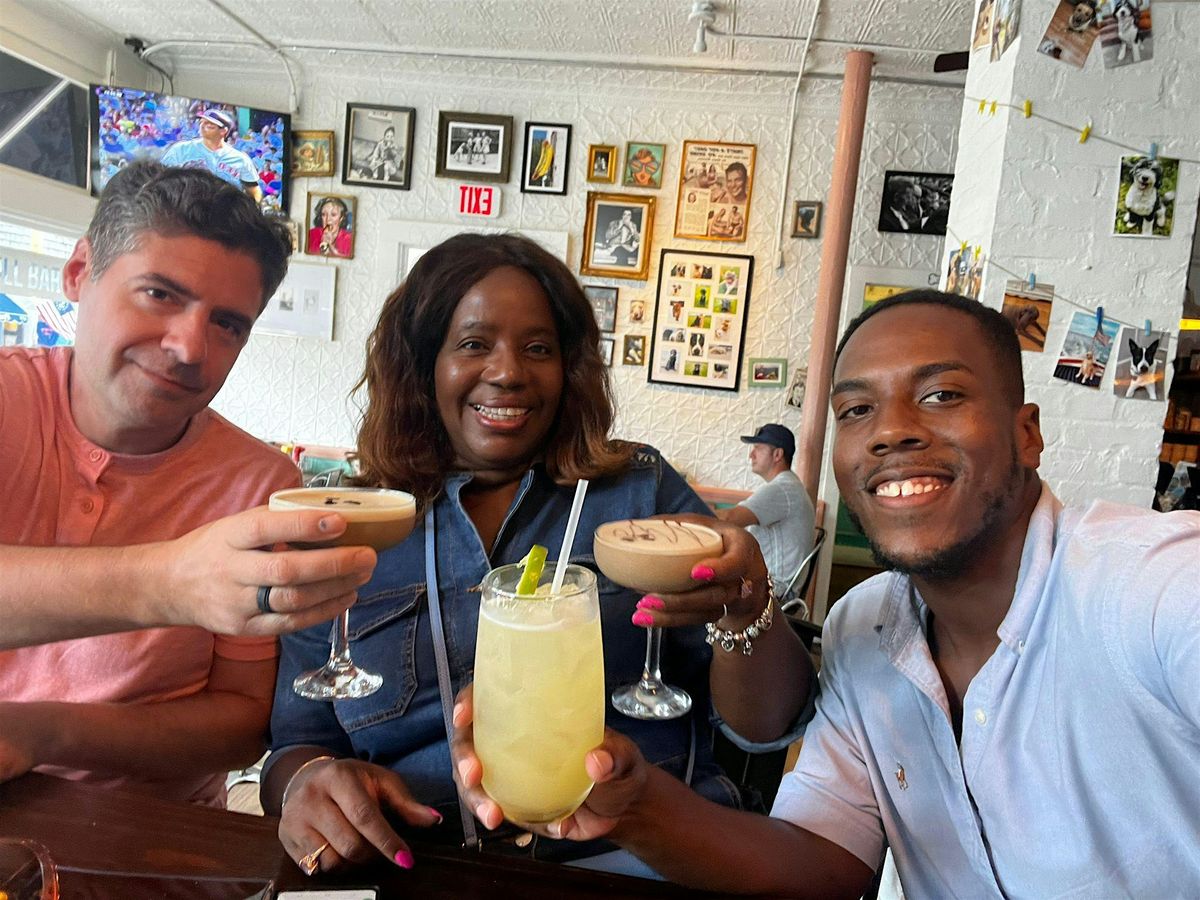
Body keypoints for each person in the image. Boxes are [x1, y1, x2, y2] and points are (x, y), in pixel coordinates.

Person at [458, 290, 1199, 897]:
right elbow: (823, 863)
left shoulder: (1154, 588)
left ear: (1027, 434)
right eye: (856, 411)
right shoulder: (864, 628)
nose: (890, 433)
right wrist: (633, 805)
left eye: (941, 395)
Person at [261, 233, 814, 877]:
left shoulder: (641, 495)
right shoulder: (357, 524)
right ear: (423, 364)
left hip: (637, 860)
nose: (508, 372)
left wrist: (747, 606)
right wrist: (308, 783)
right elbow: (297, 742)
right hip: (420, 865)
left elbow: (764, 728)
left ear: (569, 369)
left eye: (538, 348)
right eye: (473, 344)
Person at [0, 162, 376, 803]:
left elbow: (241, 727)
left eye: (228, 324)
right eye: (159, 294)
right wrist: (173, 581)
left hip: (153, 831)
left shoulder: (259, 484)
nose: (190, 347)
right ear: (79, 272)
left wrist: (40, 733)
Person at [717, 425, 814, 596]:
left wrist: (688, 517)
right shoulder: (788, 486)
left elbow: (729, 518)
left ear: (777, 454)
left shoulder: (783, 489)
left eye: (758, 448)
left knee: (703, 584)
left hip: (773, 591)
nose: (751, 455)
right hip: (775, 586)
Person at [161, 108, 263, 205]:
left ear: (223, 131)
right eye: (202, 122)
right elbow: (161, 176)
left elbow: (254, 191)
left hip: (223, 210)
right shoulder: (181, 149)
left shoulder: (240, 159)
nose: (203, 126)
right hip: (186, 207)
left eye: (210, 125)